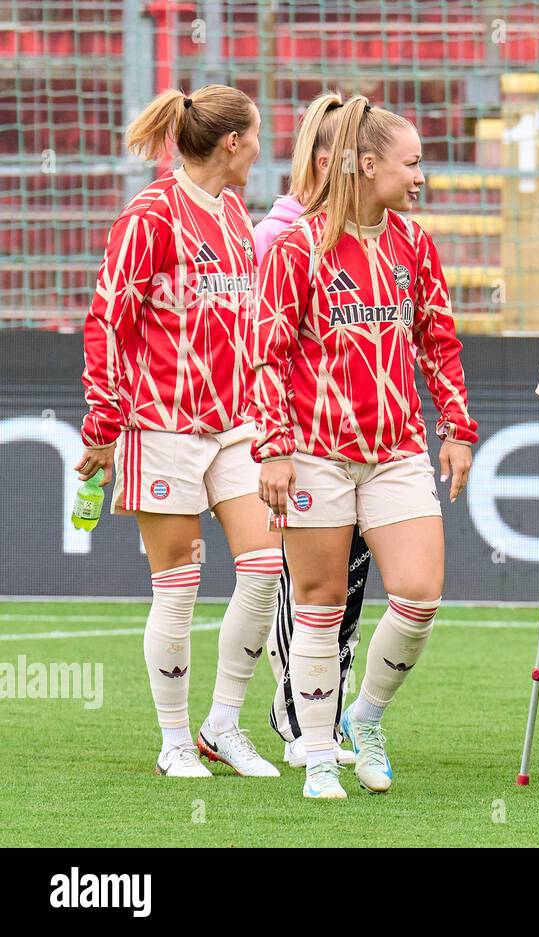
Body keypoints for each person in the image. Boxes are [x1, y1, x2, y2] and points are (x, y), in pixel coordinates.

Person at [251, 95, 477, 799]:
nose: (421, 177)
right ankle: (319, 752)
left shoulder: (415, 244)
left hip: (396, 450)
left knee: (419, 594)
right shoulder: (296, 246)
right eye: (412, 163)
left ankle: (367, 717)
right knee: (319, 604)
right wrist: (274, 446)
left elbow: (437, 341)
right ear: (368, 163)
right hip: (314, 453)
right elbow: (268, 353)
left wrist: (458, 428)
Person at [76, 84, 283, 778]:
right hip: (161, 424)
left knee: (264, 565)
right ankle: (172, 739)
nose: (260, 147)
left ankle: (221, 721)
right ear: (232, 142)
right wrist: (104, 420)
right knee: (180, 583)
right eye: (254, 135)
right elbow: (109, 317)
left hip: (234, 425)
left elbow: (247, 322)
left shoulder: (231, 212)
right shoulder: (151, 216)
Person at [251, 90, 366, 769]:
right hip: (290, 437)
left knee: (346, 581)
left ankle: (320, 705)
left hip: (355, 441)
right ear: (329, 159)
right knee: (306, 583)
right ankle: (298, 716)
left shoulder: (367, 235)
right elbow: (265, 344)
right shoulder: (281, 236)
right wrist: (274, 440)